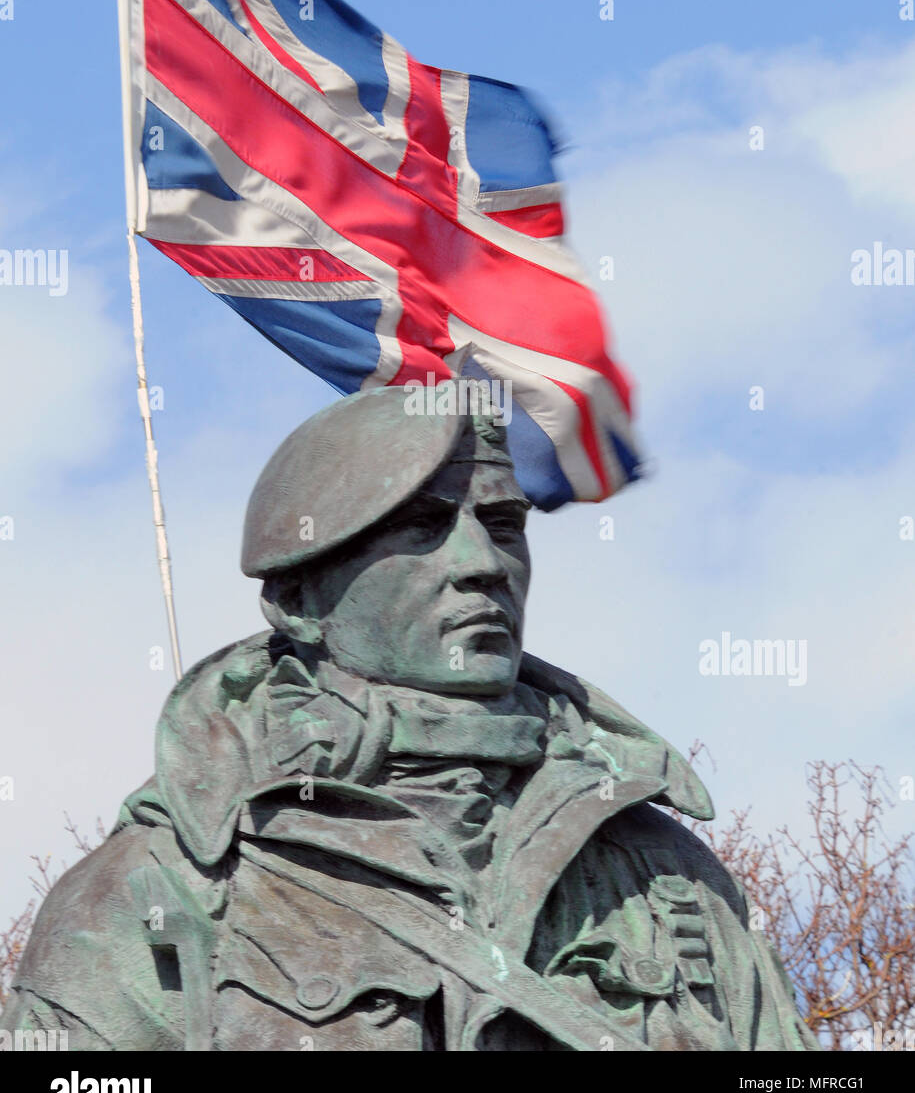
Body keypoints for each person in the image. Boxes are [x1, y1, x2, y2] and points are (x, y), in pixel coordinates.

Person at [1, 387, 819, 1051]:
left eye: (500, 527)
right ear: (300, 600)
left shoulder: (662, 874)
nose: (480, 565)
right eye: (422, 529)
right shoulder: (163, 883)